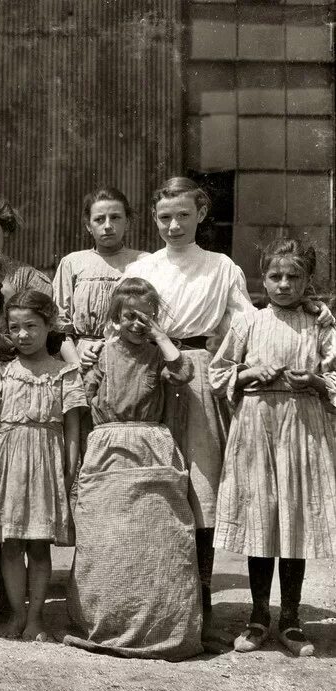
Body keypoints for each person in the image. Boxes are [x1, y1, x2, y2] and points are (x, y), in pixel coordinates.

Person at [122, 176, 256, 651]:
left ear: (201, 213)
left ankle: (200, 606)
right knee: (152, 483)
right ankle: (152, 604)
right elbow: (120, 322)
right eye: (164, 217)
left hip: (198, 374)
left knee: (199, 486)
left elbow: (248, 324)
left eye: (183, 215)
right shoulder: (142, 268)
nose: (174, 225)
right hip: (147, 373)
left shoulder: (221, 267)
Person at [63, 278, 202, 660]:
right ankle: (106, 618)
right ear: (115, 317)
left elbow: (185, 371)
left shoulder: (160, 355)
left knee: (157, 539)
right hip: (108, 447)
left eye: (146, 318)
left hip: (151, 448)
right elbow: (86, 397)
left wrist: (160, 336)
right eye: (129, 317)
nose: (137, 325)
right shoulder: (102, 354)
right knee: (107, 539)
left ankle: (161, 622)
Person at [210, 239, 336, 658]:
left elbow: (334, 371)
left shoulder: (319, 322)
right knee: (261, 519)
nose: (283, 284)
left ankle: (292, 618)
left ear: (307, 280)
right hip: (257, 426)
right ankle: (259, 615)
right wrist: (249, 371)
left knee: (293, 522)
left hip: (302, 426)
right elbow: (218, 372)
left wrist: (315, 382)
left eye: (293, 276)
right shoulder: (248, 322)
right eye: (275, 276)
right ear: (262, 279)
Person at [0, 290, 85, 642]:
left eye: (31, 326)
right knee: (10, 543)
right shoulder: (0, 372)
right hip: (7, 461)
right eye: (15, 327)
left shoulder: (64, 373)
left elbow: (72, 425)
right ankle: (18, 614)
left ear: (48, 325)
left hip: (46, 458)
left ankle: (37, 618)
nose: (23, 334)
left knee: (39, 544)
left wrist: (70, 466)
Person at [54, 187, 148, 368]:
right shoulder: (72, 262)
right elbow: (59, 324)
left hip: (131, 357)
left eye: (115, 217)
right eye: (99, 219)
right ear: (89, 226)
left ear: (127, 222)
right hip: (81, 357)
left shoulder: (144, 261)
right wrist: (76, 362)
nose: (107, 225)